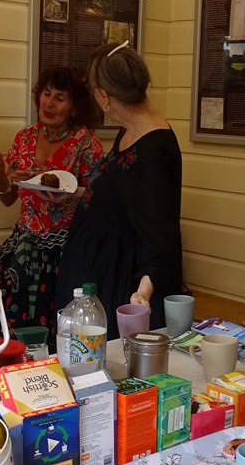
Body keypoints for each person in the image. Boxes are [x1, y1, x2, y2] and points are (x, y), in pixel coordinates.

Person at [55, 41, 183, 338]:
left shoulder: (154, 148)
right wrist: (76, 194)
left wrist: (142, 293)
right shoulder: (129, 131)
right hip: (95, 273)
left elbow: (159, 234)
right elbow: (121, 194)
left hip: (118, 282)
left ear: (105, 96)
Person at [0, 66, 103, 330]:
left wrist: (67, 194)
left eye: (60, 98)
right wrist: (1, 174)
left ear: (74, 108)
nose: (49, 103)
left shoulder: (86, 144)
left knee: (59, 322)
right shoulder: (24, 139)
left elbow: (97, 201)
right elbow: (8, 198)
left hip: (66, 248)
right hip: (25, 243)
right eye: (46, 94)